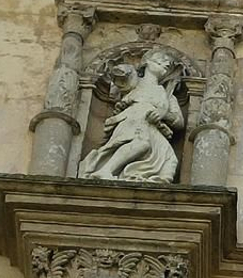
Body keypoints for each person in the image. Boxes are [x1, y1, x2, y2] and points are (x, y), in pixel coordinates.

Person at [79, 48, 184, 183]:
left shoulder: (168, 95)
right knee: (141, 144)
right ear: (146, 62)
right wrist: (123, 71)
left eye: (168, 63)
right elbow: (120, 76)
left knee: (170, 160)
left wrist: (163, 114)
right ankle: (105, 170)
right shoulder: (136, 82)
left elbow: (179, 122)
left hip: (154, 129)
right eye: (161, 60)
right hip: (134, 120)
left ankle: (144, 180)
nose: (166, 63)